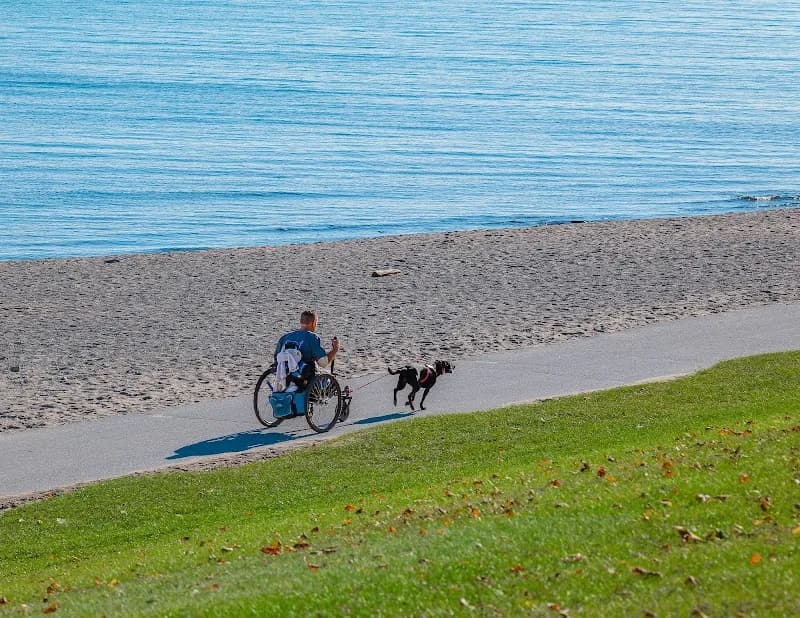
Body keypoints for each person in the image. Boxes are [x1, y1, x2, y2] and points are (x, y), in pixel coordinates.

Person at [274, 310, 339, 391]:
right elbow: (323, 363)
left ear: (300, 322)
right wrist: (335, 350)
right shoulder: (312, 337)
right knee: (330, 382)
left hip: (284, 377)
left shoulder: (285, 337)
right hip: (304, 379)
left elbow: (276, 359)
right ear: (313, 322)